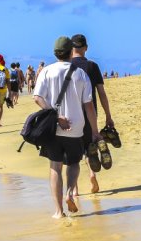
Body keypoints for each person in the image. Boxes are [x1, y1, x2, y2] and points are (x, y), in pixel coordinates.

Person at [34, 37, 101, 218]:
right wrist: (94, 131)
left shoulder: (46, 71)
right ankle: (71, 192)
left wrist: (55, 116)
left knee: (55, 166)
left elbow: (37, 97)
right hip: (77, 127)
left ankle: (58, 212)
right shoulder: (80, 74)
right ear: (71, 51)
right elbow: (89, 106)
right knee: (73, 163)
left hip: (53, 127)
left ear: (55, 53)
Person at [70, 34, 115, 195]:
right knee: (90, 147)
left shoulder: (66, 66)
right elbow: (102, 93)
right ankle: (92, 174)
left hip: (71, 115)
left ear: (71, 48)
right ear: (86, 48)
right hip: (90, 113)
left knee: (73, 153)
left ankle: (74, 190)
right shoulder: (92, 66)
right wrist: (108, 116)